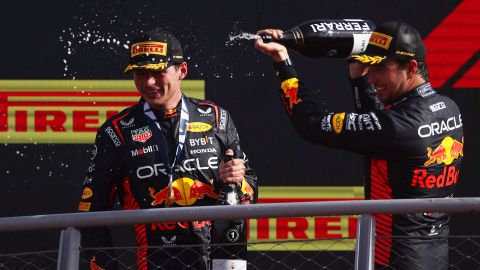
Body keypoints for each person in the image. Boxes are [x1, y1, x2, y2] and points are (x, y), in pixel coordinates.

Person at [255, 21, 463, 270]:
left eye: (381, 68)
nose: (373, 78)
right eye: (369, 67)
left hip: (393, 258)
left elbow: (310, 124)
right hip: (435, 254)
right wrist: (358, 79)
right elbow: (382, 134)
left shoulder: (397, 126)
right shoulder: (448, 107)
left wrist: (282, 61)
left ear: (411, 67)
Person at [78, 29, 258, 270]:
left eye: (157, 73)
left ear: (182, 70)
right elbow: (91, 213)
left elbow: (249, 190)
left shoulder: (217, 118)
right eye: (140, 74)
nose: (148, 83)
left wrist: (238, 181)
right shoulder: (116, 131)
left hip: (219, 259)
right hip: (153, 263)